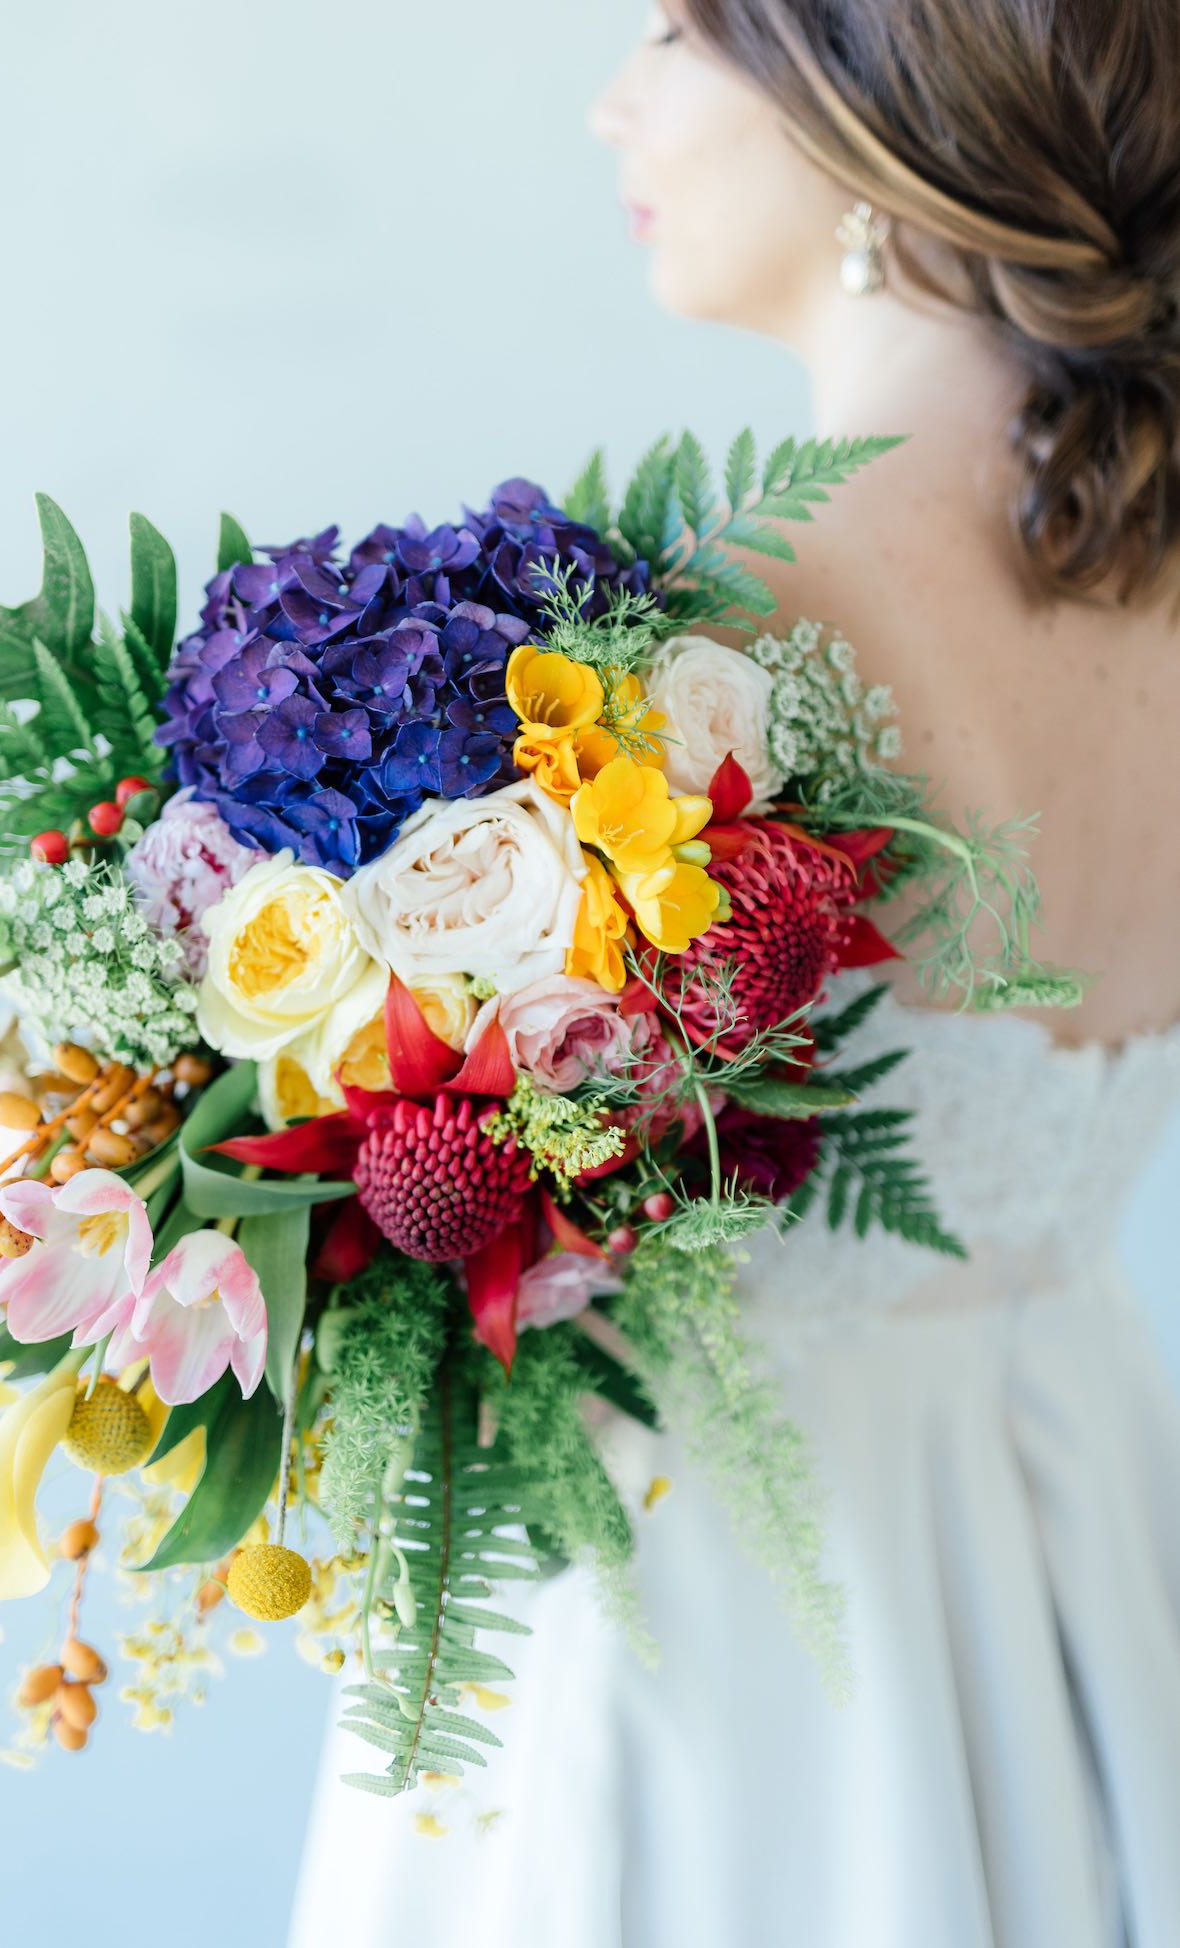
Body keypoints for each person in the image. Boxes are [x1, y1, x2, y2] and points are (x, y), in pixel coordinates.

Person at [289, 5, 1180, 1942]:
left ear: (879, 106)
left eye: (681, 30)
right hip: (1077, 1528)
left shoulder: (700, 643)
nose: (614, 97)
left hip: (724, 1616)